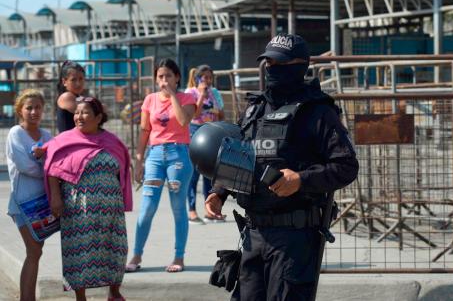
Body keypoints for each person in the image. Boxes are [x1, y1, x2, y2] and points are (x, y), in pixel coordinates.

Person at [204, 33, 359, 300]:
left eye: (279, 63)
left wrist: (300, 179)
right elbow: (239, 157)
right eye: (268, 63)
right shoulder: (254, 110)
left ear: (300, 65)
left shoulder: (317, 112)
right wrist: (219, 193)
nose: (272, 68)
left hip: (294, 238)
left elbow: (346, 165)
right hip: (253, 234)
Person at [44, 96, 132, 301]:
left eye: (84, 113)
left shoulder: (112, 141)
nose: (78, 117)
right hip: (78, 208)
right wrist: (55, 198)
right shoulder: (64, 140)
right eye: (76, 112)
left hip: (111, 209)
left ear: (98, 117)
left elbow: (122, 171)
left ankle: (114, 291)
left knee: (115, 248)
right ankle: (80, 297)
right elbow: (52, 170)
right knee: (79, 251)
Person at [126, 58, 196, 273]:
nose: (163, 80)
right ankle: (136, 255)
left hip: (179, 156)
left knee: (178, 208)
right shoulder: (149, 100)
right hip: (155, 155)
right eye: (160, 76)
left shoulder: (188, 98)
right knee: (147, 208)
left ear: (177, 78)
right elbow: (145, 131)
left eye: (168, 76)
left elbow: (184, 121)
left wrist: (172, 95)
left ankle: (179, 257)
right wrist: (139, 160)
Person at [6, 89, 52, 301]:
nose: (34, 111)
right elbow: (25, 166)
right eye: (29, 108)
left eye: (38, 107)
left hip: (43, 203)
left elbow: (56, 163)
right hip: (22, 203)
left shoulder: (47, 135)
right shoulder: (15, 133)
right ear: (20, 110)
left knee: (35, 252)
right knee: (33, 251)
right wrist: (45, 169)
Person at [185, 64, 225, 224]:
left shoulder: (215, 93)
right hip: (195, 133)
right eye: (205, 77)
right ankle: (192, 211)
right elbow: (194, 113)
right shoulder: (191, 93)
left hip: (212, 133)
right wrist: (201, 95)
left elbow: (221, 114)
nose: (208, 81)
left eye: (210, 77)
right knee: (194, 175)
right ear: (198, 78)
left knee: (210, 173)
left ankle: (210, 210)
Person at [56, 60, 86, 133]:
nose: (78, 83)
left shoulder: (78, 97)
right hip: (69, 142)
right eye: (73, 80)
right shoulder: (66, 96)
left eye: (81, 79)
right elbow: (90, 113)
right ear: (64, 82)